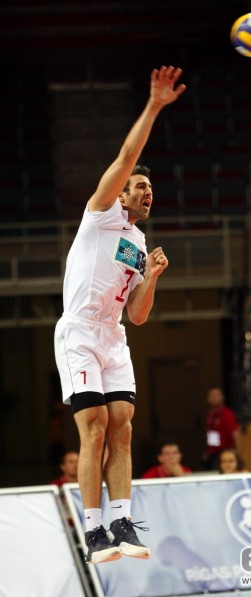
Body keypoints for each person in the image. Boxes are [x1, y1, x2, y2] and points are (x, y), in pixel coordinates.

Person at [54, 65, 186, 565]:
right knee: (93, 423)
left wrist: (152, 278)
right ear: (121, 192)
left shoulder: (138, 243)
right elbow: (127, 156)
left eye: (151, 188)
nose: (147, 192)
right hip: (79, 331)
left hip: (112, 335)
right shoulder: (100, 213)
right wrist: (153, 106)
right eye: (140, 186)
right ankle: (92, 531)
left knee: (123, 426)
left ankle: (121, 523)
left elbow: (138, 316)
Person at [203, 386, 240, 470]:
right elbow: (212, 434)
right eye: (212, 396)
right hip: (213, 453)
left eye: (217, 396)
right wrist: (208, 451)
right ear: (208, 399)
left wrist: (238, 453)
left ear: (222, 398)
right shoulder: (210, 415)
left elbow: (235, 433)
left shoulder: (227, 413)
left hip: (226, 452)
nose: (214, 398)